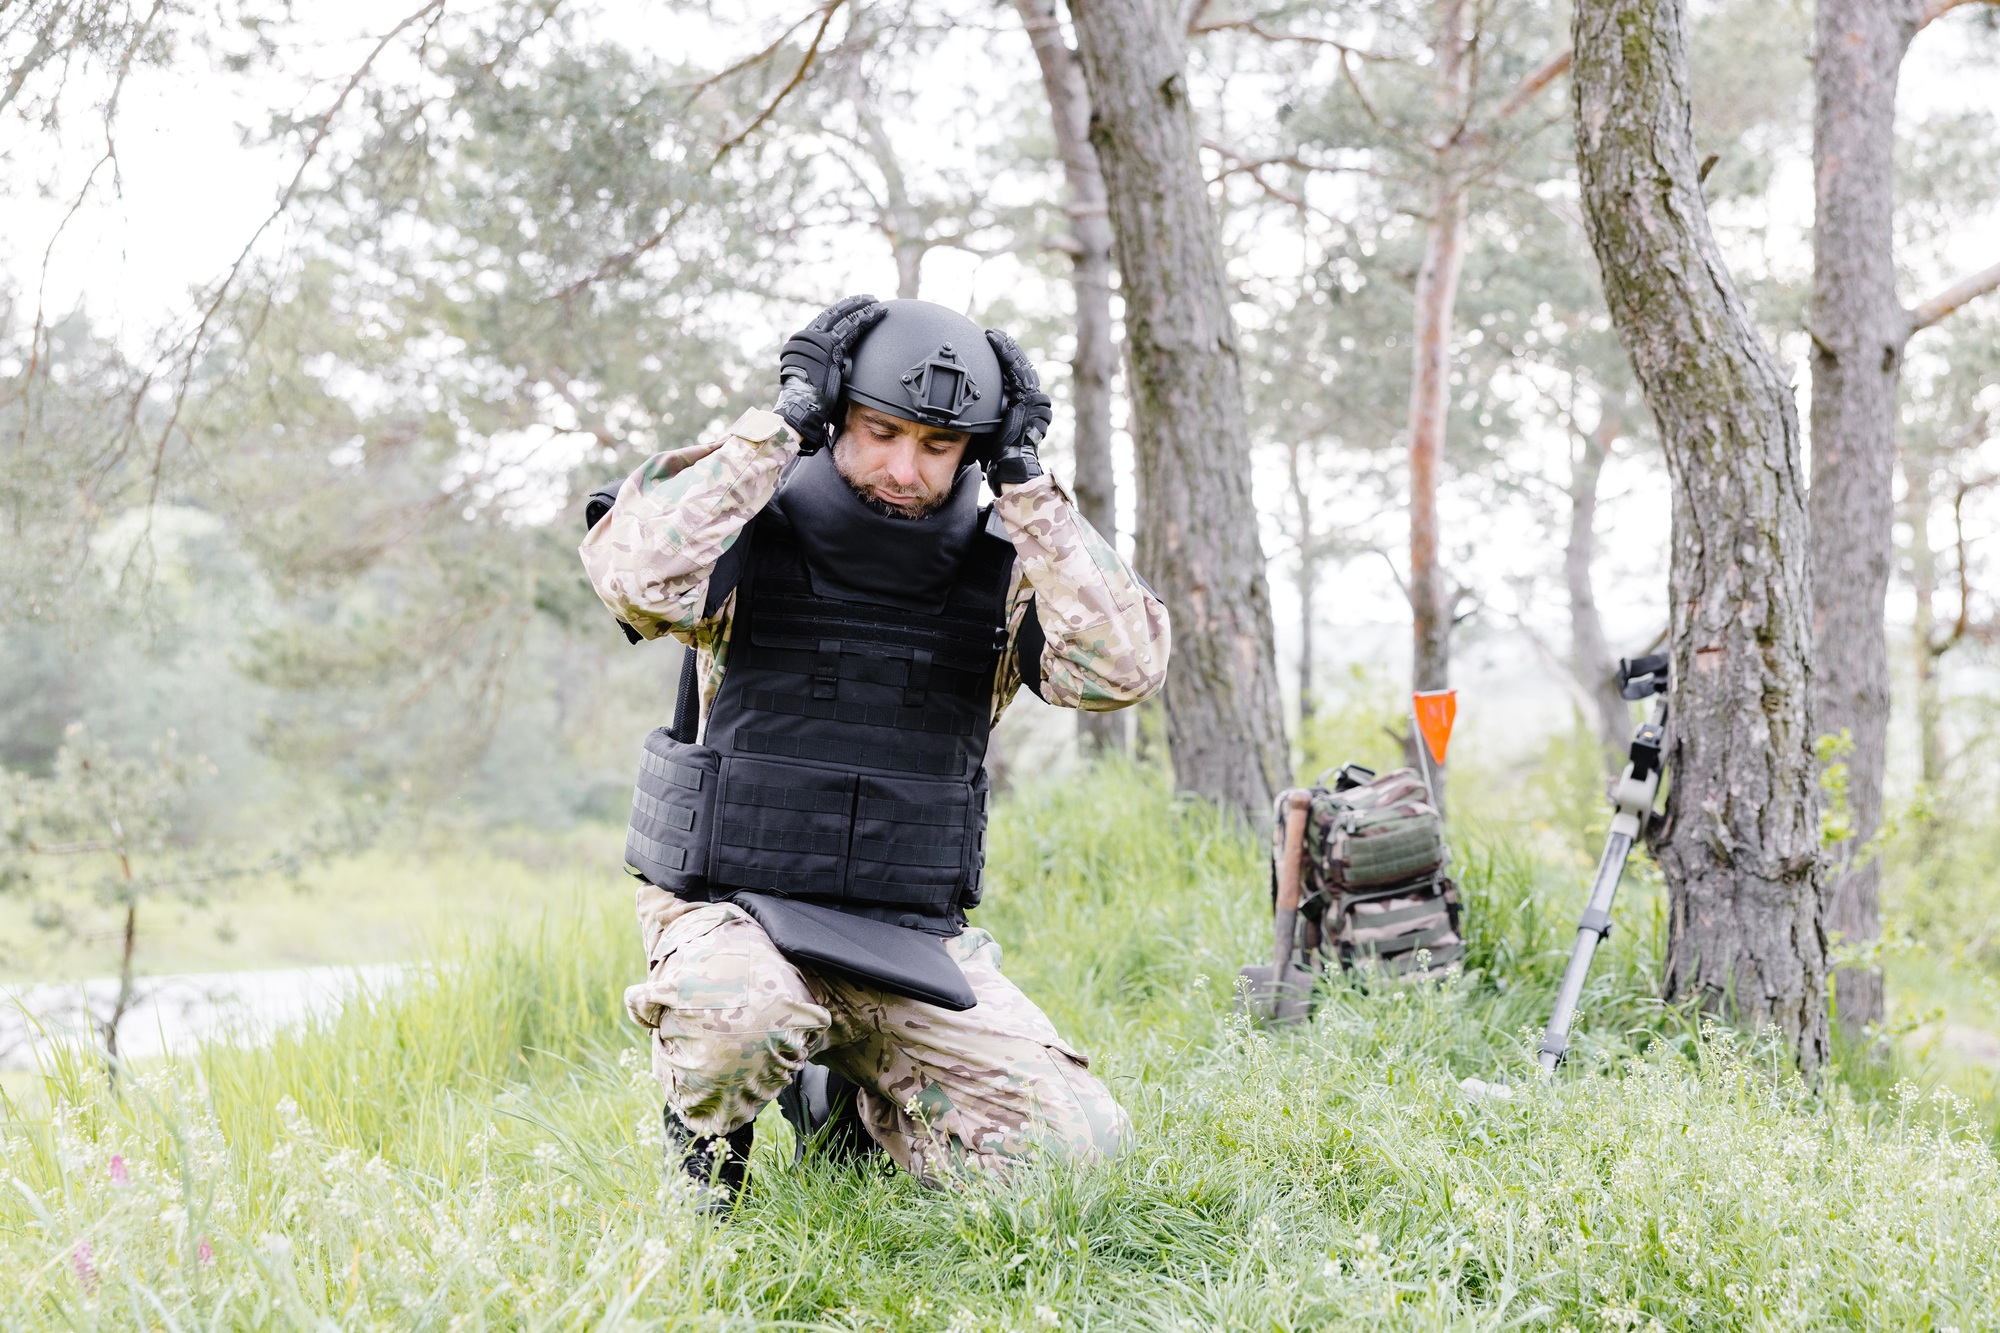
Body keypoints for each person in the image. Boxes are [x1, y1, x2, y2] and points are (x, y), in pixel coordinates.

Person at [579, 296, 1170, 1210]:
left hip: (909, 942)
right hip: (732, 916)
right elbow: (634, 577)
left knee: (1076, 1160)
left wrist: (1027, 484)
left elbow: (1124, 670)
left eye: (937, 447)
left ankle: (847, 1106)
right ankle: (705, 1171)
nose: (904, 468)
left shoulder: (1008, 566)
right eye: (880, 430)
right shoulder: (743, 523)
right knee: (744, 1015)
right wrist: (777, 427)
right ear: (836, 417)